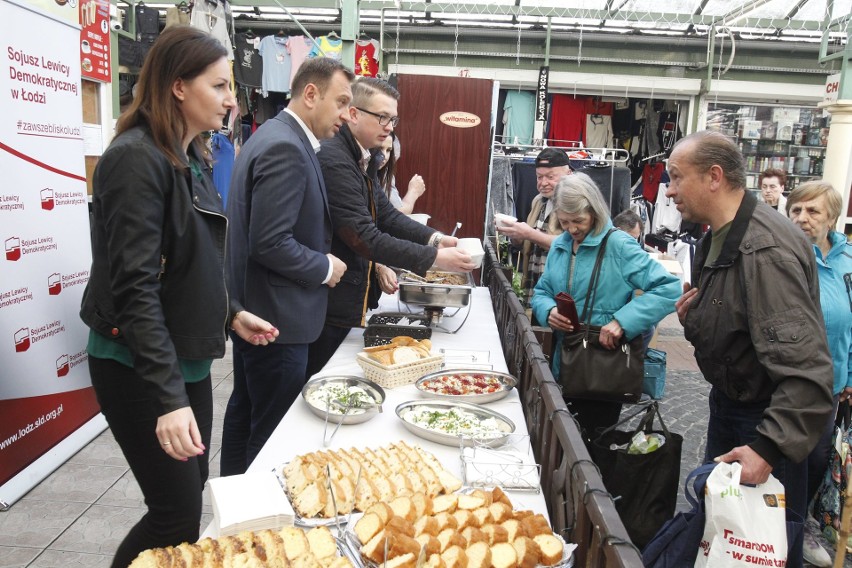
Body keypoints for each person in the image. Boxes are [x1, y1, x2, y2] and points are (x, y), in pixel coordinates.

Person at [79, 27, 279, 567]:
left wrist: (230, 311)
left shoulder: (190, 156)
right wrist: (167, 399)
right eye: (219, 86)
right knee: (172, 512)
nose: (232, 99)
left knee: (187, 507)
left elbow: (191, 262)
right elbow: (135, 288)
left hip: (185, 359)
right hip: (140, 366)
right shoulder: (134, 160)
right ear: (177, 87)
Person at [669, 131, 834, 568]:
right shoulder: (718, 236)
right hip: (733, 409)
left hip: (762, 423)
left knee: (761, 548)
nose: (668, 190)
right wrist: (696, 318)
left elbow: (807, 372)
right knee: (723, 541)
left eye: (674, 177)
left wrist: (767, 448)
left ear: (714, 177)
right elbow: (742, 328)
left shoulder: (765, 249)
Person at [221, 57, 355, 476]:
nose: (345, 115)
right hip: (279, 320)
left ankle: (233, 507)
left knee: (246, 414)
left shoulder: (276, 138)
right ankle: (256, 526)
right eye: (342, 102)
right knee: (269, 434)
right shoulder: (285, 147)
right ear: (311, 94)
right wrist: (323, 266)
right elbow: (270, 241)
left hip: (259, 309)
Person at [306, 77, 475, 378]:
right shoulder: (335, 159)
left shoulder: (363, 157)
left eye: (393, 119)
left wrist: (435, 239)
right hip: (328, 301)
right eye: (382, 117)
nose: (389, 126)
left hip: (345, 296)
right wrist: (434, 258)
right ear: (354, 114)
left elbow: (384, 213)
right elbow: (363, 236)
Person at [531, 173, 680, 443]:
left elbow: (669, 289)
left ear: (594, 211)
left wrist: (623, 321)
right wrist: (548, 310)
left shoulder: (619, 245)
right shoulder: (561, 246)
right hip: (564, 364)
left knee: (593, 445)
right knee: (561, 441)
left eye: (578, 220)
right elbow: (542, 291)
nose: (572, 228)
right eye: (565, 222)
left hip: (603, 368)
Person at [786, 181, 852, 567]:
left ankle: (805, 520)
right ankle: (787, 528)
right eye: (796, 210)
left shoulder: (846, 259)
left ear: (832, 217)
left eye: (813, 211)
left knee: (819, 457)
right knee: (792, 457)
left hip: (833, 381)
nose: (802, 218)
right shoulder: (788, 254)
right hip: (792, 379)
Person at [496, 148, 572, 309]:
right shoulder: (539, 201)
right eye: (539, 177)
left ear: (569, 174)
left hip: (561, 294)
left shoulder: (575, 204)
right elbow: (528, 247)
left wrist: (529, 233)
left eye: (550, 177)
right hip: (535, 287)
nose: (543, 183)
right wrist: (516, 235)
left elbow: (571, 246)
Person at [377, 131, 426, 215]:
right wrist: (413, 192)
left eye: (388, 150)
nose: (384, 156)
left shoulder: (384, 172)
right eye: (379, 148)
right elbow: (397, 214)